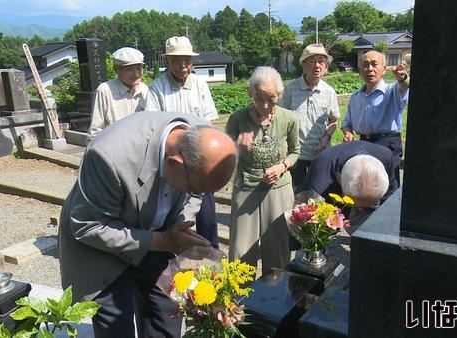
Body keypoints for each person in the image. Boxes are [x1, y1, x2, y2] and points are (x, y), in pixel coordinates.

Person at [58, 111, 237, 338]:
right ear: (175, 162)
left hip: (160, 235)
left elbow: (193, 198)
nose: (199, 195)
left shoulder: (202, 136)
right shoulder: (109, 156)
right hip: (104, 247)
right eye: (197, 188)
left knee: (168, 313)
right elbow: (87, 225)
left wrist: (180, 230)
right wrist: (162, 240)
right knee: (116, 327)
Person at [146, 36, 221, 249]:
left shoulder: (199, 84)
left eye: (187, 60)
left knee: (207, 217)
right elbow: (153, 128)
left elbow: (209, 122)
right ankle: (172, 264)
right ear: (167, 61)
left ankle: (211, 258)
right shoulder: (157, 88)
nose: (183, 65)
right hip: (172, 164)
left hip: (199, 161)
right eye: (176, 60)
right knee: (171, 217)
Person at [225, 66, 300, 275]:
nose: (265, 105)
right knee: (240, 252)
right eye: (259, 98)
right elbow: (225, 153)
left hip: (279, 189)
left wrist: (282, 166)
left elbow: (295, 152)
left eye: (271, 99)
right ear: (250, 93)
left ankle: (274, 300)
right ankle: (239, 302)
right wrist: (236, 146)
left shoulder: (289, 119)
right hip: (247, 187)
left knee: (278, 249)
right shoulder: (237, 119)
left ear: (280, 95)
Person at [341, 50, 410, 186]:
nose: (370, 69)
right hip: (363, 144)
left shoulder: (393, 91)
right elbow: (347, 122)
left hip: (387, 143)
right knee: (366, 186)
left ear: (384, 69)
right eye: (365, 65)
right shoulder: (356, 97)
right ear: (360, 70)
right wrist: (348, 133)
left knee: (388, 188)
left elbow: (405, 85)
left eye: (374, 64)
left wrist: (402, 77)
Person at [280, 43, 340, 189]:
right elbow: (281, 118)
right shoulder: (291, 89)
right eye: (312, 61)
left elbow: (334, 120)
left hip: (320, 154)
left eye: (321, 61)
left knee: (319, 193)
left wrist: (326, 138)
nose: (317, 65)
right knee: (296, 193)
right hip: (296, 155)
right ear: (303, 65)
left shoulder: (329, 91)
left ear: (326, 66)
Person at [298, 141, 397, 208]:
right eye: (356, 206)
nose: (361, 210)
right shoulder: (320, 180)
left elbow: (390, 195)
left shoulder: (386, 156)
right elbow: (305, 224)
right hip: (328, 191)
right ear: (339, 179)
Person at [87, 47, 148, 143]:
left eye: (138, 68)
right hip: (114, 148)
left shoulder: (144, 89)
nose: (136, 74)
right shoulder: (105, 91)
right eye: (129, 69)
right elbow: (95, 131)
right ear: (116, 69)